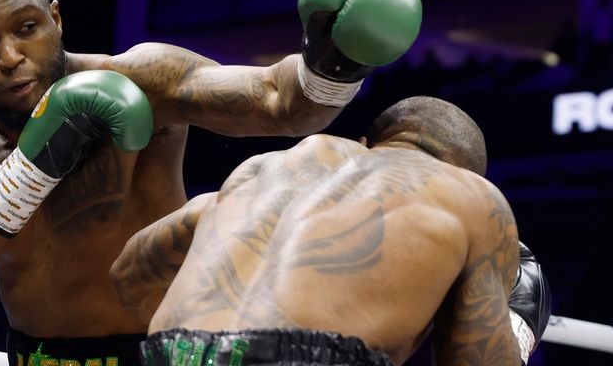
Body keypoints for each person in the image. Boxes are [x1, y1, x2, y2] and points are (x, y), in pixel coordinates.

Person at [0, 0, 422, 366]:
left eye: (27, 28)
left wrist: (332, 64)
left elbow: (278, 104)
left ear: (56, 19)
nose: (10, 57)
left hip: (169, 346)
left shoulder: (142, 80)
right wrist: (29, 170)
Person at [111, 96, 551, 366]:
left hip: (174, 353)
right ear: (467, 175)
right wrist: (519, 328)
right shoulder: (473, 197)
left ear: (366, 145)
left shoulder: (262, 171)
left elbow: (128, 279)